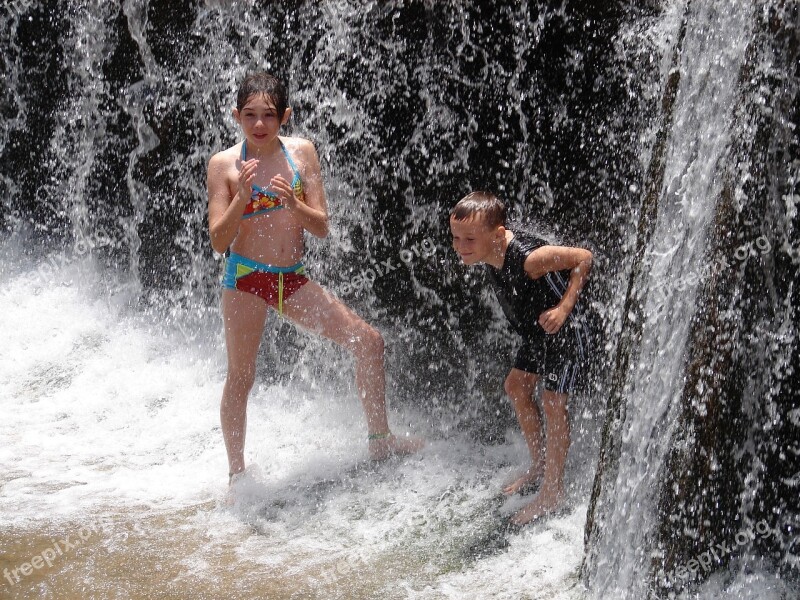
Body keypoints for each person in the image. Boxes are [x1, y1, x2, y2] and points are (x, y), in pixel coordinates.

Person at [207, 72, 422, 486]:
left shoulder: (302, 153)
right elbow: (219, 241)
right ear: (236, 116)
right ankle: (237, 473)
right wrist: (243, 196)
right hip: (246, 279)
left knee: (369, 342)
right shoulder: (223, 165)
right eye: (249, 115)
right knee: (241, 376)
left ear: (284, 116)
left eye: (268, 115)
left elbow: (321, 226)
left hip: (291, 279)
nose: (259, 125)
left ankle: (381, 439)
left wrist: (293, 203)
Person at [448, 191, 593, 525]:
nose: (460, 246)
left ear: (498, 235)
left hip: (568, 329)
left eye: (469, 238)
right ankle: (540, 466)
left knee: (553, 401)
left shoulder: (529, 259)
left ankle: (553, 491)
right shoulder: (488, 254)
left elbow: (584, 257)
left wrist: (563, 308)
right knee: (516, 386)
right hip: (538, 332)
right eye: (455, 238)